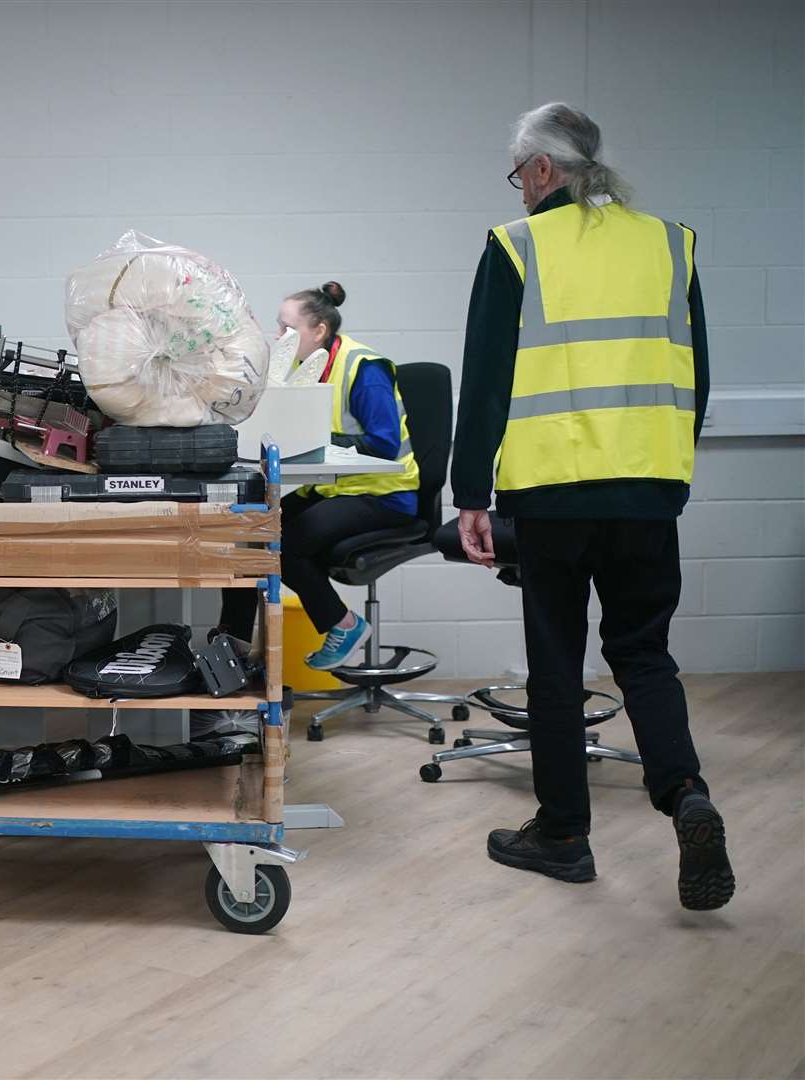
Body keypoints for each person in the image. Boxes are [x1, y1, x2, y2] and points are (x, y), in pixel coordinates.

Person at [452, 104, 734, 910]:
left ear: (542, 171)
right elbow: (696, 372)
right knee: (644, 652)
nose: (516, 192)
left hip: (552, 491)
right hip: (647, 489)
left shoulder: (517, 246)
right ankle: (683, 793)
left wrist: (471, 491)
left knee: (554, 658)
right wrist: (669, 472)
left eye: (517, 174)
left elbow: (486, 379)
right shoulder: (669, 243)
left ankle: (564, 835)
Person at [219, 282, 420, 670]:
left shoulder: (365, 368)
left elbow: (383, 443)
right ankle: (233, 644)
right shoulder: (301, 367)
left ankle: (343, 624)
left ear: (319, 331)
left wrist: (312, 435)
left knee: (287, 544)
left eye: (285, 328)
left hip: (384, 495)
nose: (278, 337)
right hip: (335, 488)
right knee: (251, 531)